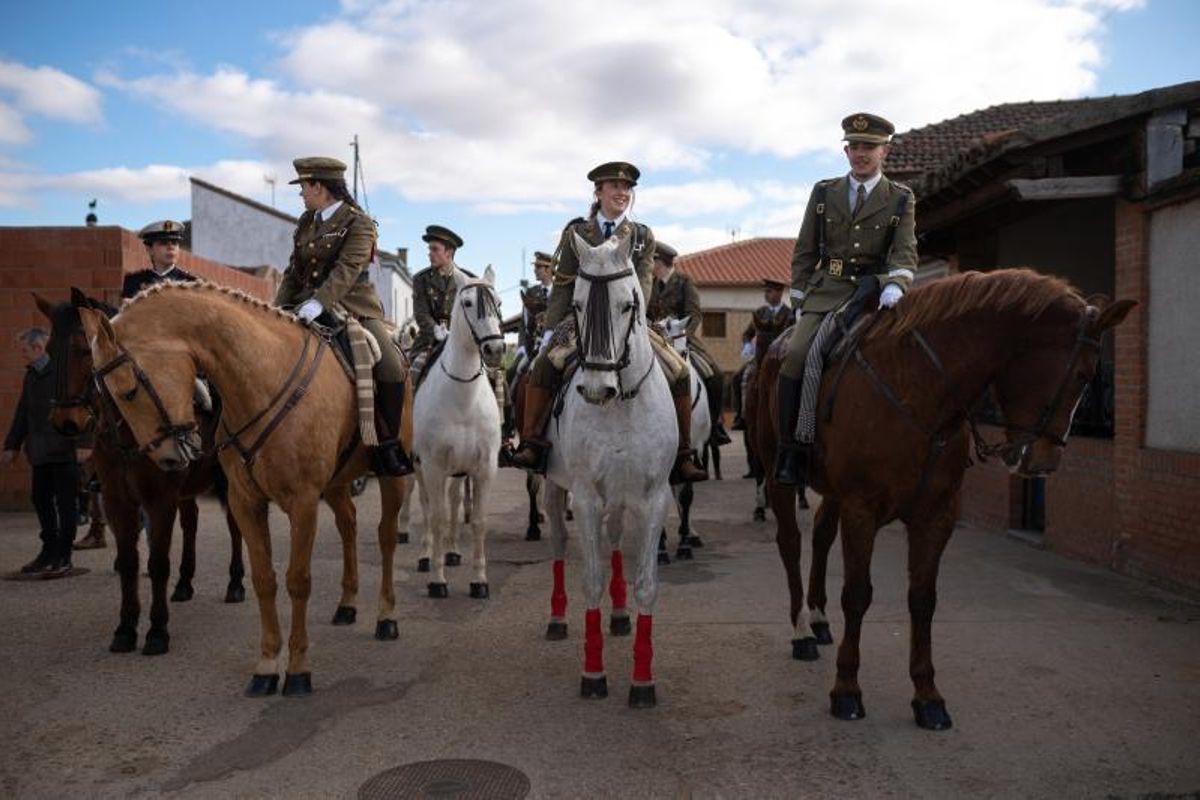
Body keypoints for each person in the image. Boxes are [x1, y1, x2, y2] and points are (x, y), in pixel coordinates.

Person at [505, 161, 707, 483]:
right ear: (598, 192)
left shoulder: (642, 236)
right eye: (614, 186)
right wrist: (548, 332)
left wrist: (632, 319)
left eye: (626, 188)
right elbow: (563, 286)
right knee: (542, 365)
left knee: (680, 371)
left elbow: (643, 284)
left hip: (629, 320)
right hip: (580, 321)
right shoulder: (577, 234)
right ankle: (532, 443)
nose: (622, 192)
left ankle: (683, 454)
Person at [775, 113, 917, 486]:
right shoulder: (824, 192)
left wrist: (896, 283)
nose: (860, 154)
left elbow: (904, 254)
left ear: (884, 151)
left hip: (872, 295)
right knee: (796, 355)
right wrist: (799, 293)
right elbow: (805, 248)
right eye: (854, 147)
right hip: (827, 292)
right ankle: (791, 448)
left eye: (868, 147)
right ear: (846, 151)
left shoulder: (900, 199)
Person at [274, 156, 413, 477]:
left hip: (354, 308)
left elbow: (347, 270)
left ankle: (388, 445)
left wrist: (319, 303)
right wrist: (279, 308)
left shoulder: (360, 223)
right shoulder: (306, 222)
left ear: (320, 187)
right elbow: (294, 271)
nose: (301, 194)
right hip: (304, 306)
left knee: (391, 366)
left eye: (304, 187)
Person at [2, 328, 84, 575]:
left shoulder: (63, 373)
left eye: (25, 350)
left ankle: (64, 555)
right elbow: (22, 412)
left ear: (39, 348)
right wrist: (11, 445)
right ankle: (48, 550)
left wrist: (84, 444)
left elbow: (83, 407)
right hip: (39, 453)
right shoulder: (31, 375)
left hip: (63, 450)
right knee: (40, 499)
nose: (22, 355)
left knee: (68, 504)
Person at [647, 241, 730, 446]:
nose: (650, 267)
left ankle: (715, 423)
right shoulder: (652, 285)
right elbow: (648, 313)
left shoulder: (684, 282)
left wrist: (682, 333)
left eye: (653, 262)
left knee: (716, 374)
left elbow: (694, 313)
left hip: (682, 338)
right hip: (657, 339)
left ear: (661, 262)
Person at [409, 225, 473, 384]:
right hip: (429, 341)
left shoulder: (469, 280)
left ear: (449, 252)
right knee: (411, 376)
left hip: (462, 341)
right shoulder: (421, 279)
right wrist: (436, 330)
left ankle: (502, 408)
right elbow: (421, 313)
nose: (429, 254)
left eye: (435, 249)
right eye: (429, 249)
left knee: (496, 376)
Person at [123, 220, 197, 298]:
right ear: (149, 249)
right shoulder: (134, 282)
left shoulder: (191, 282)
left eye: (175, 243)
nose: (171, 247)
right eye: (163, 243)